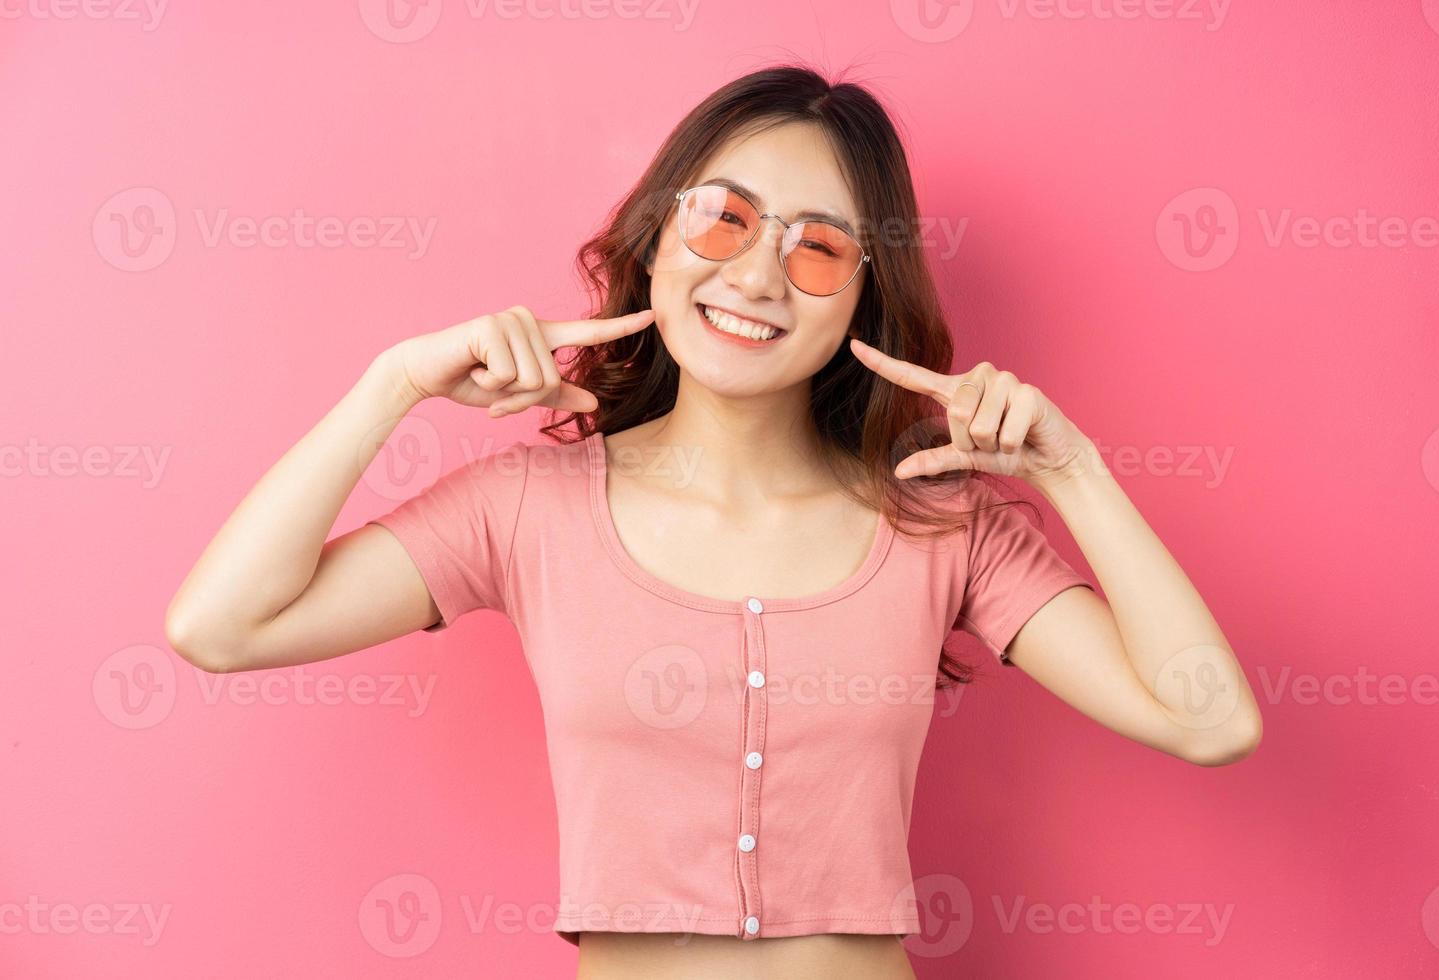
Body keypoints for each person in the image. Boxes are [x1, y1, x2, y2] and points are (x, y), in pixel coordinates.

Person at [164, 64, 1262, 979]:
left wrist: (1073, 471)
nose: (756, 272)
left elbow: (1210, 719)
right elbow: (221, 626)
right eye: (725, 217)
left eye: (817, 247)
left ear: (861, 292)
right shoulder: (525, 509)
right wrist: (390, 385)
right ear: (657, 234)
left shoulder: (942, 524)